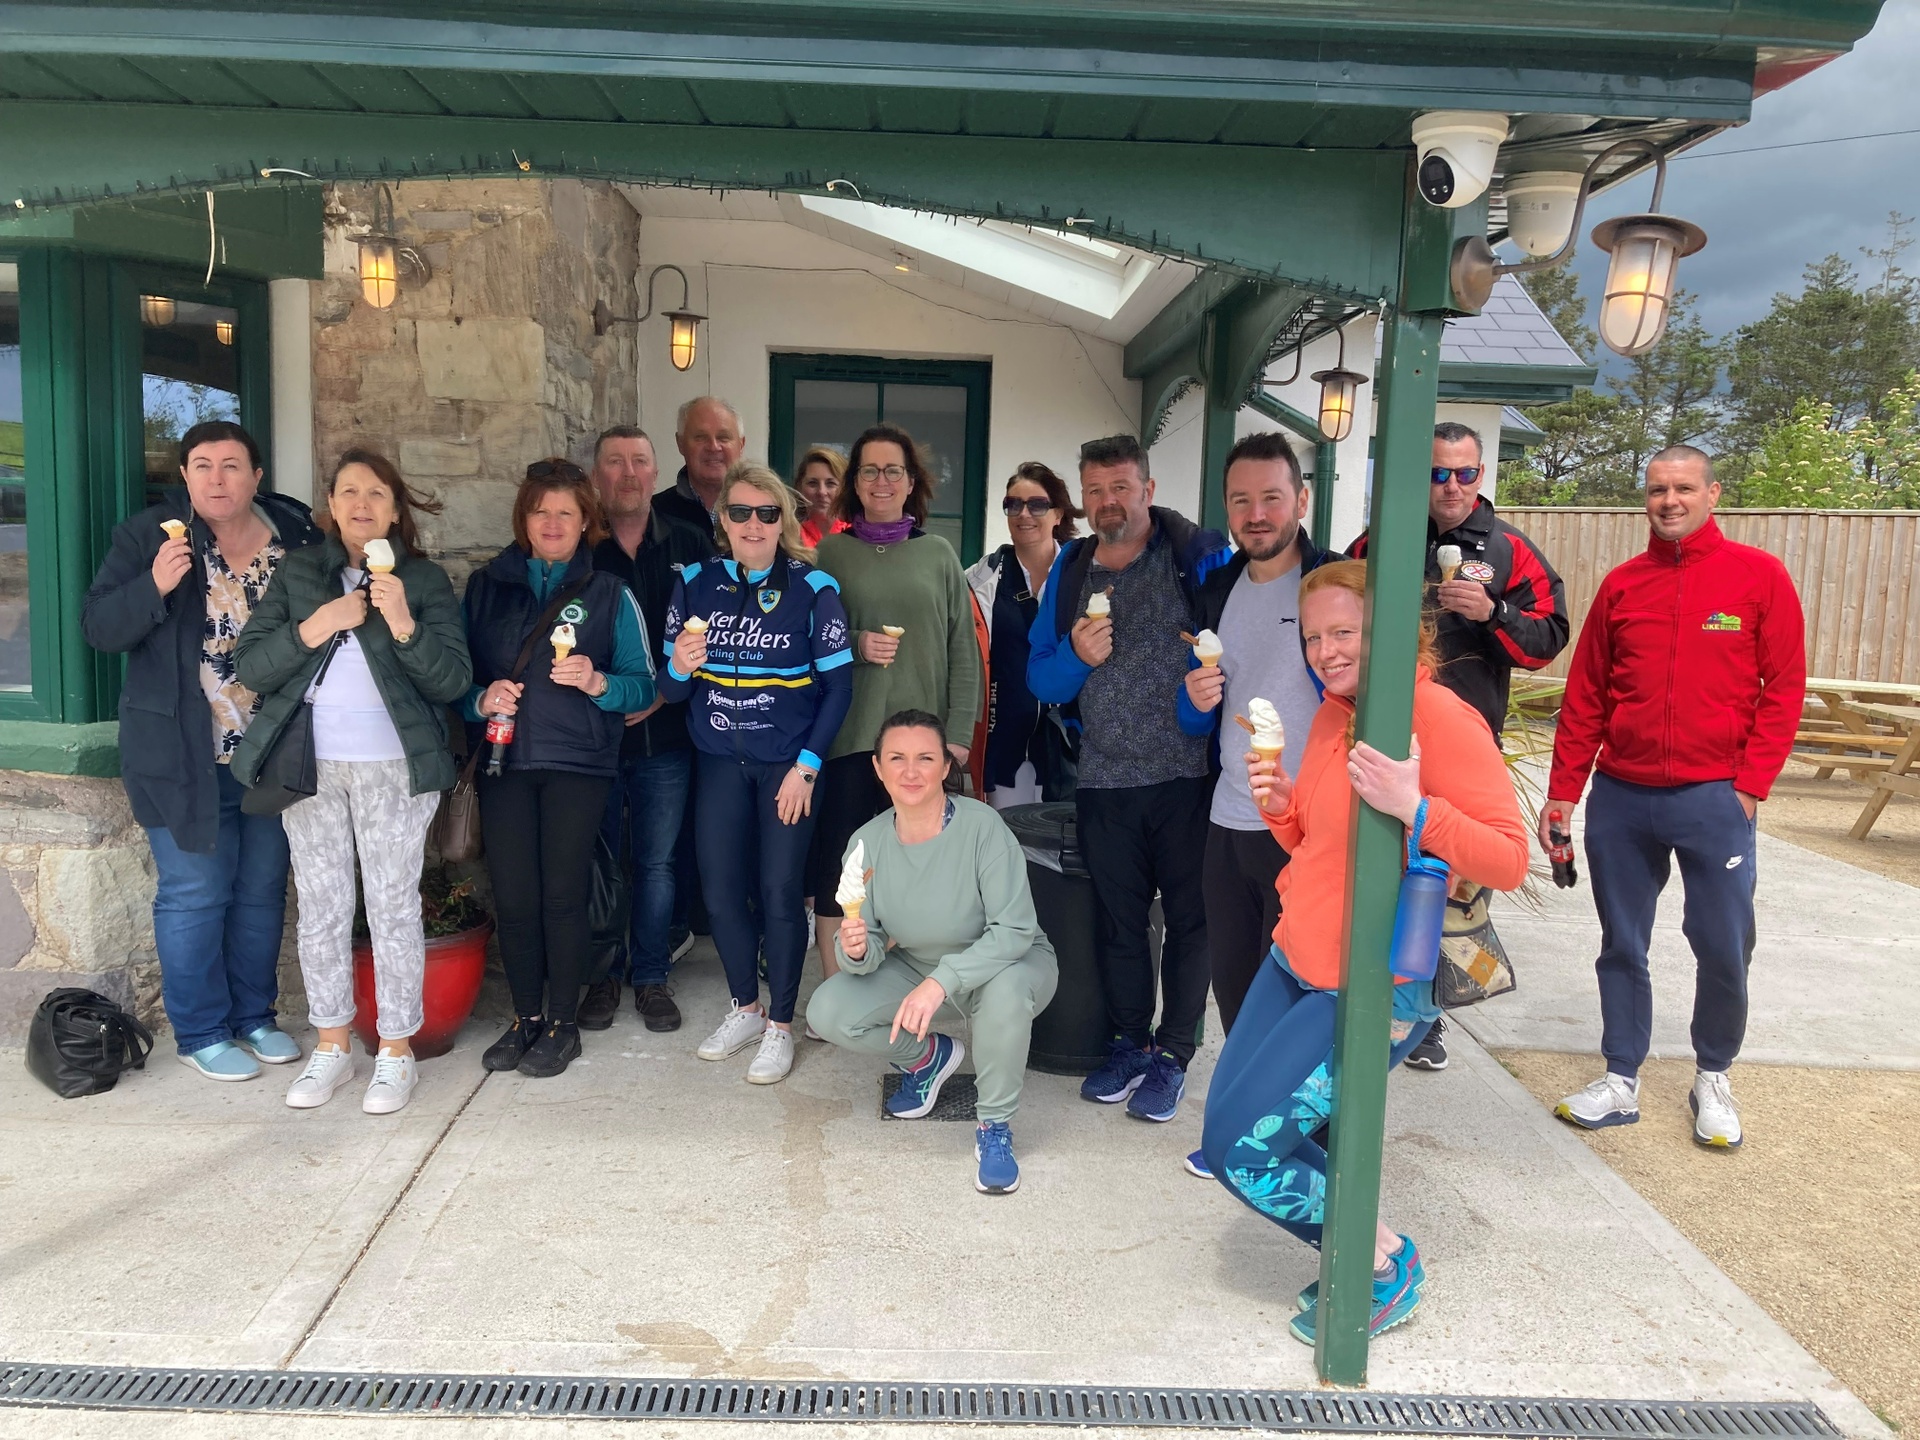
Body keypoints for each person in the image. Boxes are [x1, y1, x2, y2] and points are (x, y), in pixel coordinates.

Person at [1202, 559, 1529, 1344]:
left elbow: (1509, 859)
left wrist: (1416, 806)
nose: (1326, 652)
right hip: (1295, 963)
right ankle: (1375, 1248)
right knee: (1229, 1138)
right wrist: (1283, 805)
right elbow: (1316, 844)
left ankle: (1381, 1266)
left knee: (1246, 1156)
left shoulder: (1437, 716)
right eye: (1314, 638)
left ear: (1391, 631)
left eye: (1343, 632)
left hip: (1371, 987)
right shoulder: (1331, 715)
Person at [1542, 446, 1805, 1149]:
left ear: (1712, 494)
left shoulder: (1758, 577)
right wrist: (1563, 791)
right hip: (1623, 798)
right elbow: (1586, 695)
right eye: (1658, 489)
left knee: (1722, 942)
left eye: (1684, 488)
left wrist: (1749, 787)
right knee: (1622, 943)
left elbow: (1784, 689)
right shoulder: (1623, 586)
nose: (1669, 501)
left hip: (1714, 798)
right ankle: (1619, 1077)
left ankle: (1713, 1074)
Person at [82, 420, 323, 1082]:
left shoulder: (297, 539)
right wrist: (154, 586)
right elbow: (99, 627)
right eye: (203, 466)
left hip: (272, 751)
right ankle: (201, 1032)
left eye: (232, 465)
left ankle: (253, 1017)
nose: (218, 478)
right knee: (194, 891)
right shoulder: (150, 538)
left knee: (261, 890)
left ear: (256, 477)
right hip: (179, 753)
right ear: (185, 476)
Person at [232, 450, 471, 1114]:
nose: (362, 504)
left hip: (394, 767)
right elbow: (251, 665)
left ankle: (395, 1050)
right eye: (348, 493)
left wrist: (403, 624)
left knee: (393, 906)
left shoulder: (423, 580)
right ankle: (333, 1045)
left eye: (376, 494)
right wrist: (318, 624)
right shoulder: (300, 573)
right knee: (322, 907)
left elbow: (453, 680)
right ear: (331, 507)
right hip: (310, 766)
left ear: (395, 510)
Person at [1347, 421, 1568, 1072]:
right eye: (1437, 473)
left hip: (1466, 749)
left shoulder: (1509, 549)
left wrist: (1493, 613)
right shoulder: (1381, 541)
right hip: (1385, 743)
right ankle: (1365, 995)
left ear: (1481, 475)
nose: (1450, 485)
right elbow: (1335, 610)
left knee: (1451, 892)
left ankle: (1431, 1013)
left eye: (1464, 473)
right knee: (1379, 877)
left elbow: (1548, 641)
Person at [1027, 433, 1229, 1123]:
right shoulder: (1071, 568)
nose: (1108, 501)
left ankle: (1174, 1054)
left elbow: (1226, 664)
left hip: (1186, 777)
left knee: (1190, 922)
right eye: (1095, 490)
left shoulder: (1194, 559)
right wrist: (1077, 658)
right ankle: (1129, 1044)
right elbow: (1041, 679)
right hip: (1103, 779)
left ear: (1147, 488)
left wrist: (1196, 712)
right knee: (1118, 925)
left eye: (1120, 487)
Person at [809, 710, 1059, 1194]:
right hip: (919, 965)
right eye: (896, 759)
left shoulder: (983, 827)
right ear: (878, 768)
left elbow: (1013, 931)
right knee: (828, 1009)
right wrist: (855, 948)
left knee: (1005, 992)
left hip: (1006, 964)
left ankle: (994, 1126)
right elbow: (871, 941)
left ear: (945, 766)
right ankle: (926, 1060)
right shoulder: (866, 843)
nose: (911, 771)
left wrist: (940, 982)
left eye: (925, 758)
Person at [659, 464, 854, 1084]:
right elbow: (671, 690)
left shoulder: (814, 588)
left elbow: (839, 688)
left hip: (787, 767)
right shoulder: (694, 583)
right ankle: (745, 1007)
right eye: (739, 512)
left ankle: (782, 1025)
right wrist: (681, 666)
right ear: (722, 519)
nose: (753, 524)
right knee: (720, 891)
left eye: (766, 513)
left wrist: (807, 767)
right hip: (720, 761)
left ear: (783, 520)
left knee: (778, 891)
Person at [463, 459, 658, 1078]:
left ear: (585, 522)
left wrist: (600, 682)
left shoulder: (610, 593)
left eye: (565, 513)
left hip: (578, 764)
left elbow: (644, 685)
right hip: (505, 760)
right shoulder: (486, 587)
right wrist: (480, 699)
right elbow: (452, 679)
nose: (552, 523)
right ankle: (525, 1018)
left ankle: (563, 1025)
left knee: (563, 896)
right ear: (524, 519)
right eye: (541, 512)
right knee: (515, 897)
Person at [1172, 432, 1333, 1177]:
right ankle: (1246, 1132)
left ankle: (1310, 1145)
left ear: (1301, 499)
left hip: (1307, 827)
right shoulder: (1219, 589)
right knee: (1236, 989)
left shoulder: (1333, 583)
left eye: (1272, 497)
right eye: (1242, 500)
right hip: (1230, 817)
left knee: (1303, 1000)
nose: (1257, 513)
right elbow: (1195, 718)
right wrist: (1194, 699)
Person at [809, 423, 982, 974]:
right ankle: (836, 986)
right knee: (843, 868)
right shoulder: (830, 554)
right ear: (854, 483)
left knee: (919, 868)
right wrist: (855, 644)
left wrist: (957, 736)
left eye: (893, 470)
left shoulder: (939, 555)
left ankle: (912, 986)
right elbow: (806, 641)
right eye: (869, 470)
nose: (881, 481)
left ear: (911, 482)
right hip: (850, 736)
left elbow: (964, 650)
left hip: (923, 745)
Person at [581, 425, 714, 1034]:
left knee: (659, 863)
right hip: (596, 735)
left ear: (656, 473)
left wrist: (662, 690)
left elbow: (716, 630)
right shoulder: (581, 548)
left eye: (639, 461)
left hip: (669, 737)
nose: (628, 473)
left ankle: (652, 976)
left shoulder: (689, 542)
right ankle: (604, 976)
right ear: (597, 477)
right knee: (603, 860)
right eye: (615, 462)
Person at [965, 462, 1083, 810]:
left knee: (1066, 839)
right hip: (1003, 745)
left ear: (1058, 513)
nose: (1024, 514)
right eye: (1013, 504)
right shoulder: (979, 579)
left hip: (1071, 745)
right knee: (1004, 836)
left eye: (1037, 505)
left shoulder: (1082, 576)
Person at [653, 396, 747, 536]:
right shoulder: (653, 514)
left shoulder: (768, 513)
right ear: (680, 444)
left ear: (741, 445)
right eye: (701, 437)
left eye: (723, 437)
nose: (713, 447)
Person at [794, 446, 848, 550]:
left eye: (830, 484)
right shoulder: (787, 537)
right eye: (812, 483)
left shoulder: (858, 537)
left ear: (845, 488)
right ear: (799, 487)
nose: (822, 492)